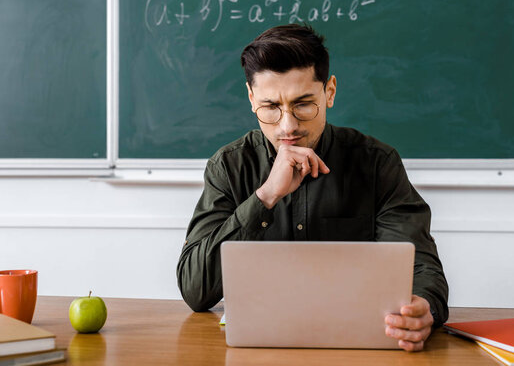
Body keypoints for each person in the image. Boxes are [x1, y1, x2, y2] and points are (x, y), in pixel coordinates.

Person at [177, 24, 448, 352]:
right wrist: (265, 197)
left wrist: (424, 309)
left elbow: (419, 265)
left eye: (303, 104)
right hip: (258, 348)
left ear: (329, 92)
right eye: (270, 107)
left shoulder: (377, 162)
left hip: (358, 346)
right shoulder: (229, 166)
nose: (287, 126)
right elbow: (196, 291)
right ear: (251, 99)